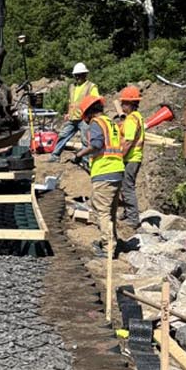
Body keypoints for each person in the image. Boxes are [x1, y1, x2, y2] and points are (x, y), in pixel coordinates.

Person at [72, 92, 124, 256]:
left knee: (102, 212)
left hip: (104, 171)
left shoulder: (96, 123)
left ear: (88, 112)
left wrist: (80, 154)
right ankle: (111, 242)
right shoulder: (111, 122)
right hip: (116, 170)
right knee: (111, 212)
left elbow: (96, 144)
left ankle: (108, 249)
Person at [50, 62, 99, 159]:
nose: (77, 77)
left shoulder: (91, 86)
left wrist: (91, 116)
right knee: (63, 135)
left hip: (84, 118)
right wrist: (68, 113)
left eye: (79, 75)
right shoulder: (72, 87)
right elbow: (70, 101)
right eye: (76, 75)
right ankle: (55, 156)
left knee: (85, 140)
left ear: (85, 74)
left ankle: (86, 159)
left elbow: (96, 102)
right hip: (72, 118)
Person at [117, 84, 145, 237]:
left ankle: (133, 219)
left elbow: (128, 141)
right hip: (133, 157)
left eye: (124, 103)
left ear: (130, 104)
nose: (122, 106)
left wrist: (119, 157)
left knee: (127, 187)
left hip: (131, 158)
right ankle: (128, 213)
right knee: (124, 186)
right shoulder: (135, 117)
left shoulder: (132, 119)